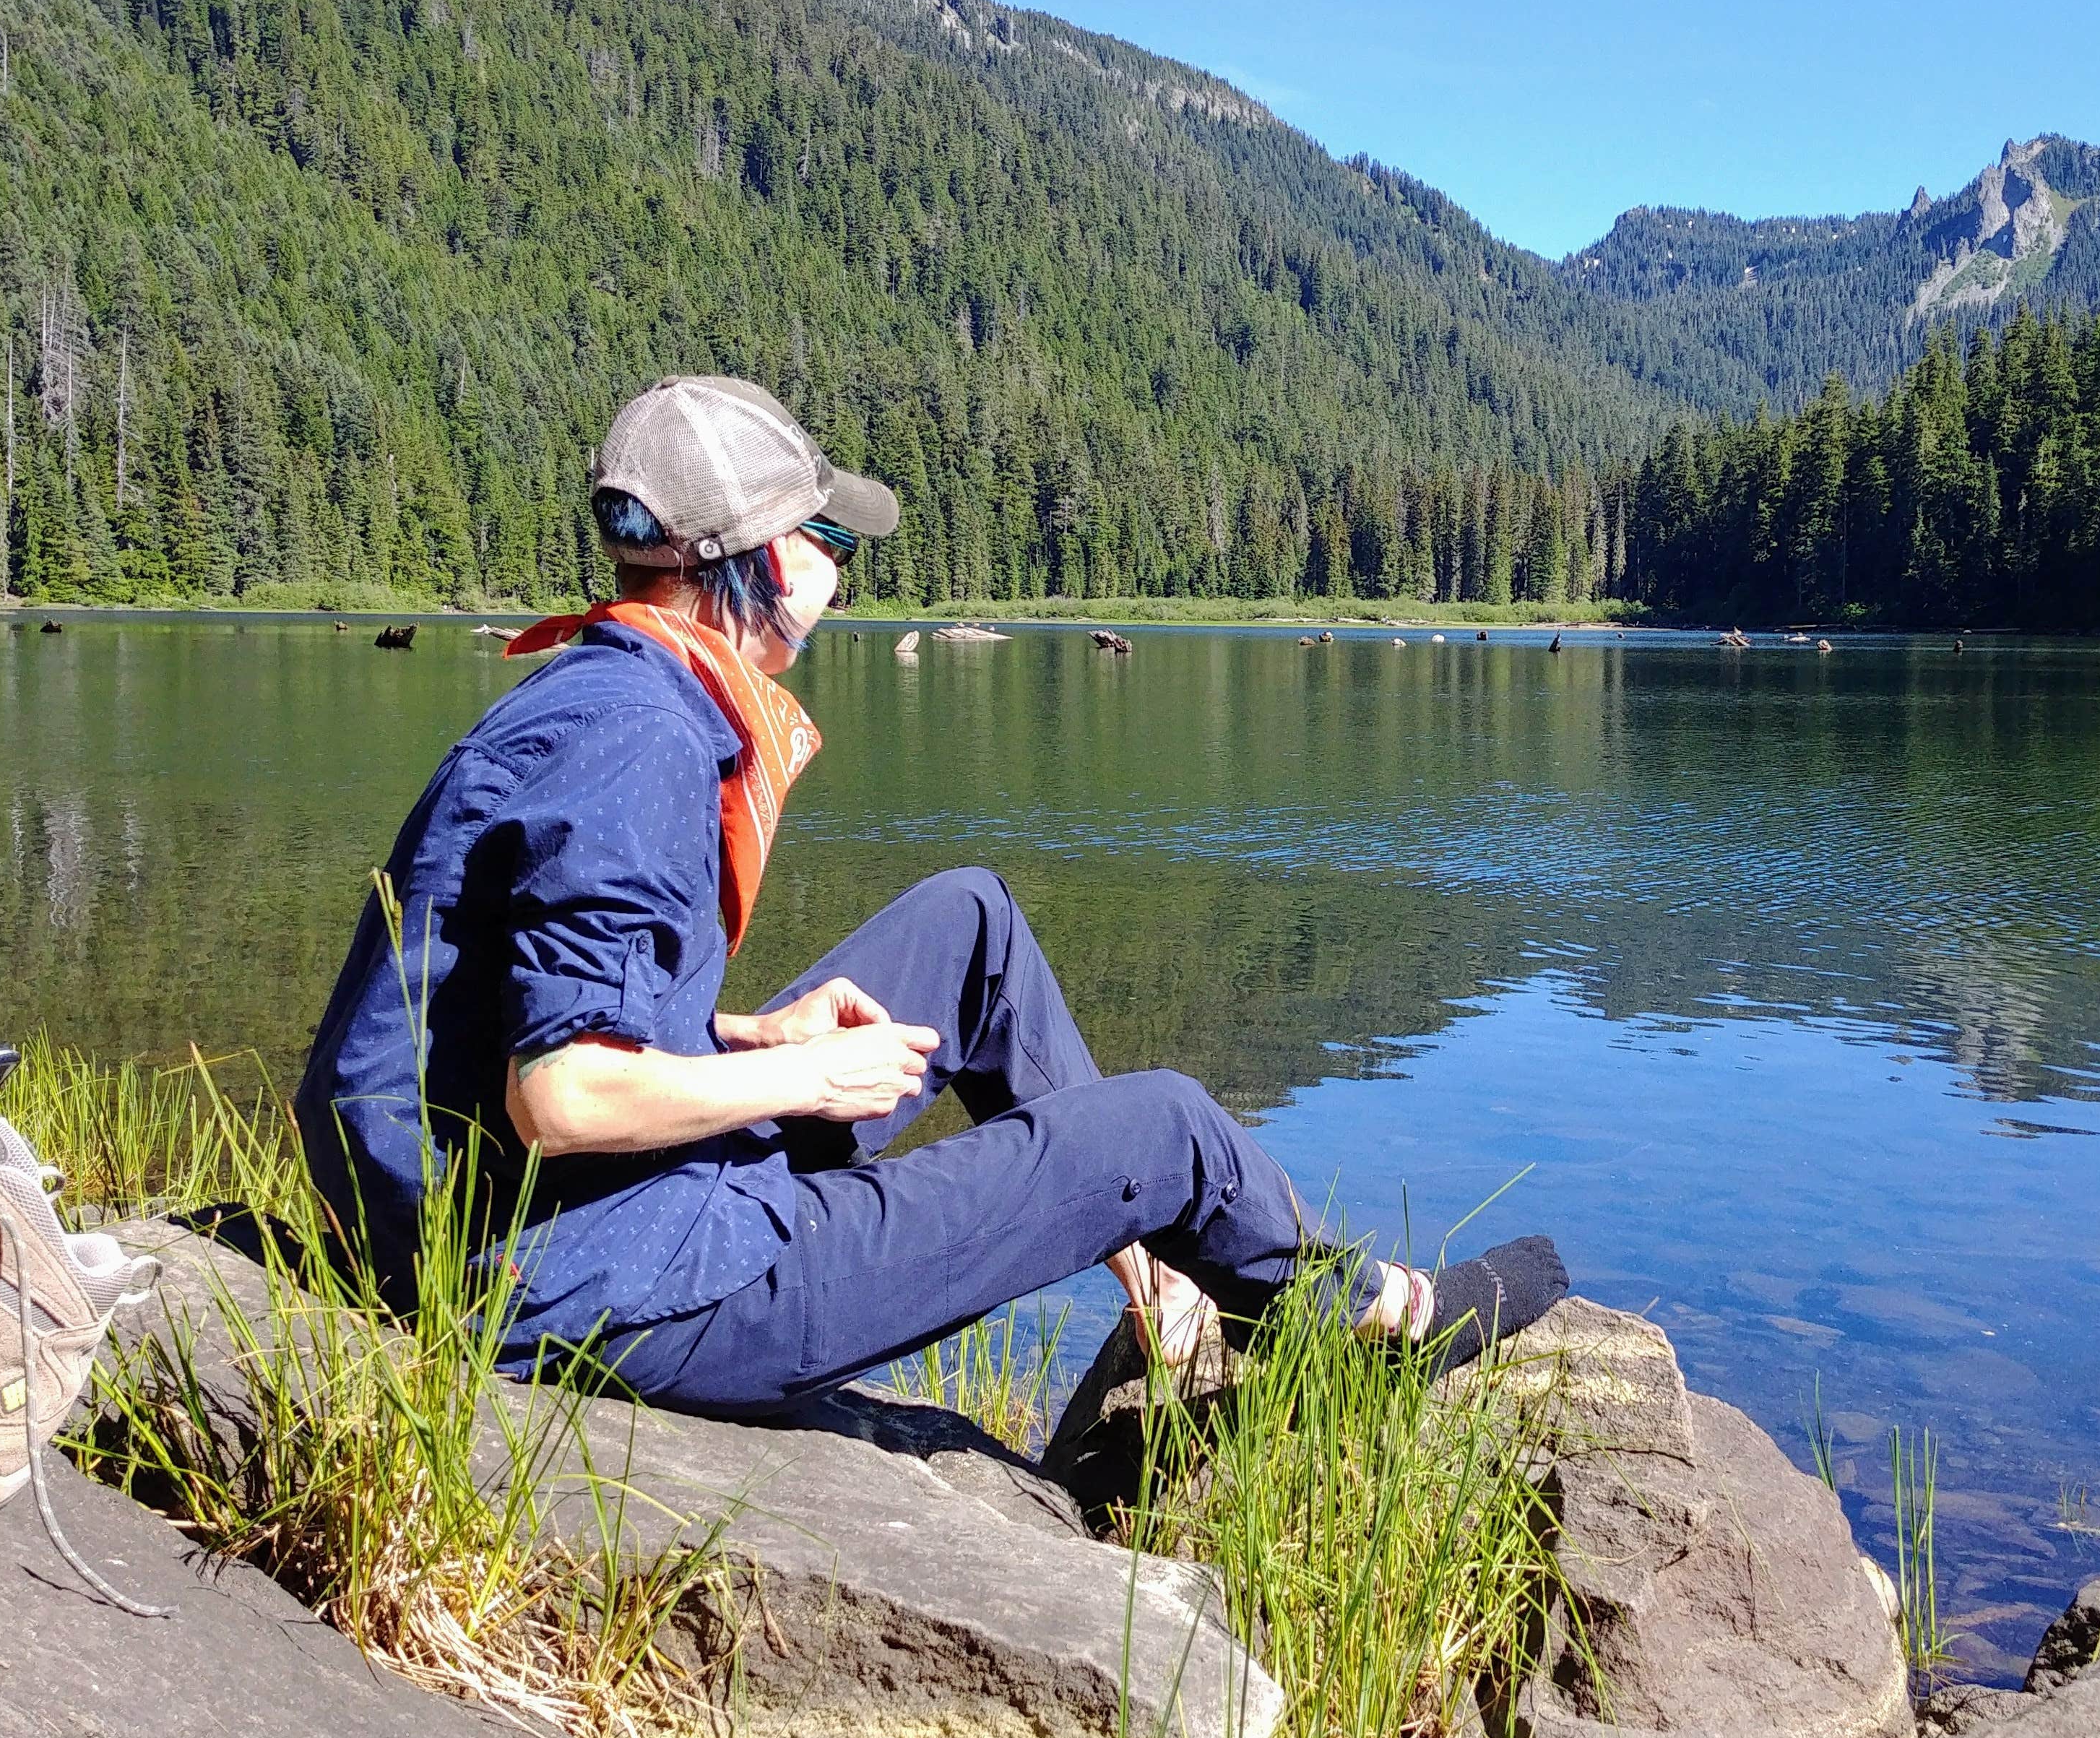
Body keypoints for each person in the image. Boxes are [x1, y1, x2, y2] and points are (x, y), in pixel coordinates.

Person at [295, 375, 1563, 1414]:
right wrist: (809, 1078)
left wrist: (746, 1032)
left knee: (972, 924)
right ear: (761, 559)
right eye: (832, 545)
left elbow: (510, 1019)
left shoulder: (607, 688)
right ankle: (1376, 1324)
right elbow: (561, 1096)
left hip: (528, 1224)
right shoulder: (639, 739)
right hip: (604, 1283)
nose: (842, 578)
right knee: (1171, 1129)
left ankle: (1161, 1281)